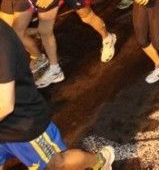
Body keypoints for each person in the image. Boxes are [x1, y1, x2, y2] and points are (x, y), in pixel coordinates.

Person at [0, 19, 115, 170]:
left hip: (22, 124)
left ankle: (99, 161)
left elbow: (6, 104)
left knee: (57, 163)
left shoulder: (1, 39)